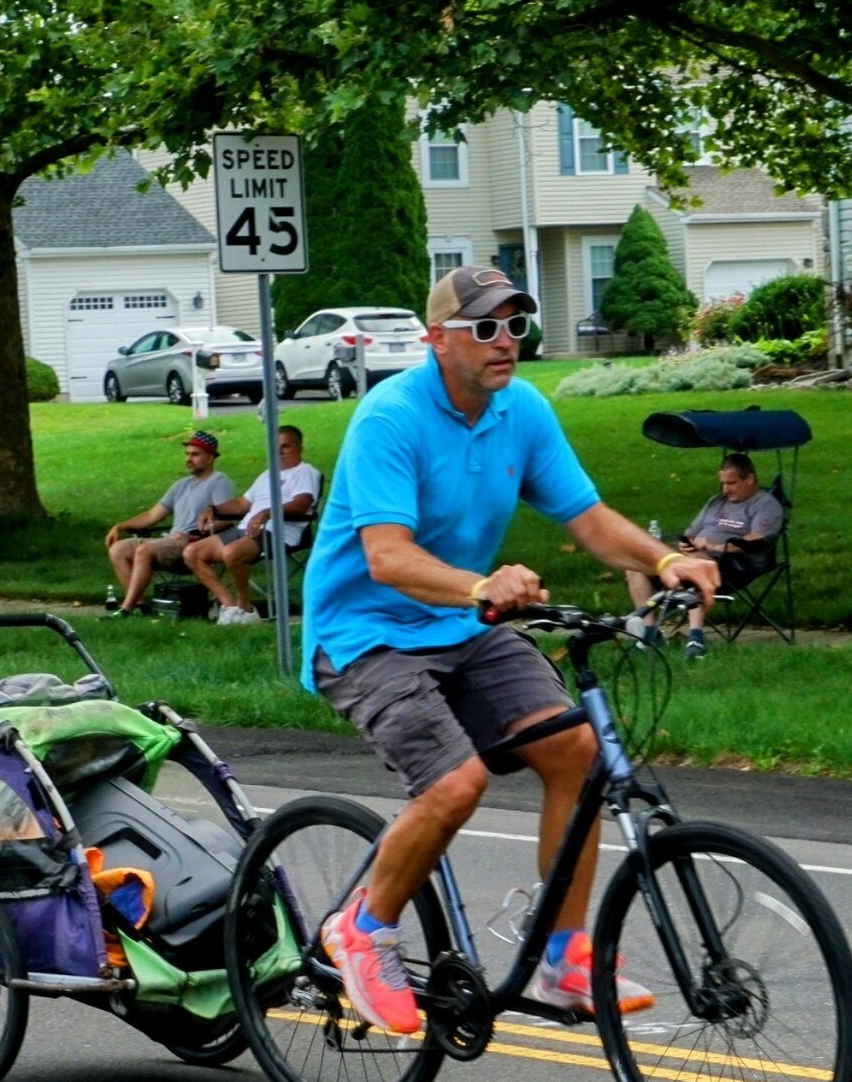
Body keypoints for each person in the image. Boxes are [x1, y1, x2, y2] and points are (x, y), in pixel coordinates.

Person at [302, 264, 718, 1034]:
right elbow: (387, 556)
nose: (505, 342)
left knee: (578, 751)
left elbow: (587, 517)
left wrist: (664, 560)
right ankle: (363, 927)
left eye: (513, 324)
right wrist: (478, 586)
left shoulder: (520, 410)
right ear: (436, 340)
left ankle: (567, 957)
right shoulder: (389, 418)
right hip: (365, 634)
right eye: (484, 326)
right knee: (456, 784)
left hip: (465, 626)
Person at [625, 452, 785, 659]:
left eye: (732, 483)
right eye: (723, 483)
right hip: (694, 556)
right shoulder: (716, 501)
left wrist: (717, 547)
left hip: (733, 564)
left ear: (750, 479)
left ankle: (695, 638)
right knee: (635, 564)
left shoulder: (766, 504)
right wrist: (685, 544)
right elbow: (691, 533)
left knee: (696, 564)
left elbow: (757, 540)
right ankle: (650, 633)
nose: (725, 489)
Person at [181, 425, 323, 625]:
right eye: (275, 447)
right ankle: (230, 606)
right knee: (192, 552)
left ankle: (246, 610)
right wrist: (214, 509)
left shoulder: (305, 472)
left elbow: (302, 505)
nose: (279, 452)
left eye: (286, 446)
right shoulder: (266, 475)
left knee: (232, 553)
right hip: (246, 529)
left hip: (279, 532)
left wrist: (267, 513)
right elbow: (241, 505)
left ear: (299, 448)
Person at [103, 431, 234, 618]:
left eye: (195, 454)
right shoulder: (181, 484)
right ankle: (141, 607)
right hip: (170, 543)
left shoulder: (218, 481)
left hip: (194, 544)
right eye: (187, 454)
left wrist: (201, 531)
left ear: (211, 457)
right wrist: (120, 527)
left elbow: (228, 517)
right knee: (118, 549)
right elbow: (151, 515)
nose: (189, 459)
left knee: (145, 549)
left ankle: (126, 608)